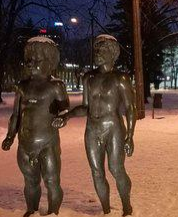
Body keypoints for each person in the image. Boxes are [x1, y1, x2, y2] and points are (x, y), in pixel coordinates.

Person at [52, 34, 136, 216]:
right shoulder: (89, 78)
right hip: (92, 129)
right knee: (97, 172)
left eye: (102, 49)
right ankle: (106, 210)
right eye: (96, 49)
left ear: (112, 53)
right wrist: (67, 116)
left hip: (113, 127)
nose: (97, 52)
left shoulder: (120, 78)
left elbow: (130, 108)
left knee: (116, 168)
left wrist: (130, 135)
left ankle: (126, 207)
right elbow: (86, 108)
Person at [1, 37, 69, 217]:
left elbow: (64, 110)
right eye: (29, 59)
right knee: (30, 181)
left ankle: (54, 211)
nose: (31, 64)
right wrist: (10, 135)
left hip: (47, 142)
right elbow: (16, 115)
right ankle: (32, 209)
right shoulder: (22, 86)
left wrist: (62, 118)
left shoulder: (56, 86)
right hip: (25, 143)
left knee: (52, 180)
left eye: (36, 60)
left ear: (49, 62)